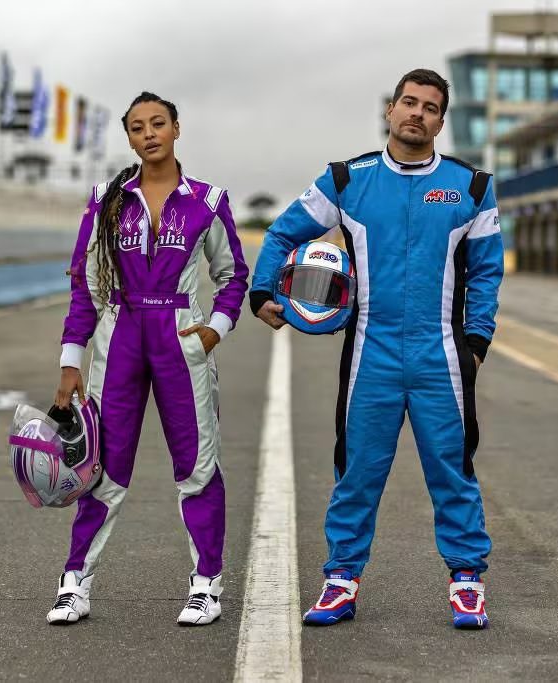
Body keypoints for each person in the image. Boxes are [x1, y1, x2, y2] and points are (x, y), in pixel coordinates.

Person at [249, 69, 504, 629]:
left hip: (441, 356)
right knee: (358, 470)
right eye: (408, 102)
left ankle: (467, 581)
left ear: (441, 121)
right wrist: (263, 290)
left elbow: (487, 271)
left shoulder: (472, 187)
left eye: (430, 107)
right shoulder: (346, 180)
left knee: (452, 469)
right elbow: (282, 234)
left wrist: (476, 342)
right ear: (391, 110)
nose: (417, 113)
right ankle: (341, 580)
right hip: (371, 353)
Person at [50, 92, 249, 627]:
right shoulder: (106, 200)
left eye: (158, 123)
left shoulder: (208, 200)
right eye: (137, 128)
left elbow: (233, 276)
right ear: (130, 139)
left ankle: (206, 584)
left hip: (181, 339)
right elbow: (85, 285)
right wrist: (71, 361)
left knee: (197, 466)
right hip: (119, 336)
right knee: (101, 468)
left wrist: (214, 331)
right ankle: (75, 582)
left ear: (176, 129)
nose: (149, 134)